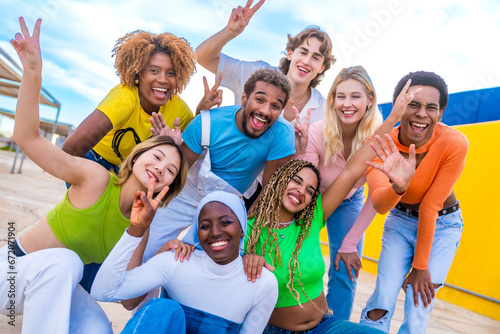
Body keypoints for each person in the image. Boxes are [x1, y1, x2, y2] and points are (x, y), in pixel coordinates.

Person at [0, 18, 187, 333]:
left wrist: (155, 249)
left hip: (60, 286)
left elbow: (128, 301)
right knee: (67, 262)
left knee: (98, 328)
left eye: (170, 170)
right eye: (156, 156)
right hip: (12, 275)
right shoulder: (96, 178)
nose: (160, 168)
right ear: (136, 153)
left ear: (169, 187)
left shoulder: (140, 220)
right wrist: (32, 72)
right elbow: (28, 138)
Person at [243, 79, 421, 333]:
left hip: (324, 326)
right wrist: (245, 257)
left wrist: (393, 117)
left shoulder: (312, 218)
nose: (301, 192)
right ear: (280, 181)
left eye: (310, 190)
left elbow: (352, 170)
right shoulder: (250, 226)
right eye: (295, 182)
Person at [143, 67, 297, 262]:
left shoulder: (282, 134)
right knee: (147, 252)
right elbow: (176, 173)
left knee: (210, 266)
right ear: (244, 98)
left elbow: (269, 191)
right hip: (184, 193)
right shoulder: (206, 122)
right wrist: (168, 150)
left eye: (275, 106)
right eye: (259, 100)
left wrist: (245, 231)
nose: (265, 111)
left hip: (228, 204)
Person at [358, 71, 469, 333]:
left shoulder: (455, 143)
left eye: (431, 107)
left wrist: (420, 268)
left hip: (443, 225)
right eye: (413, 104)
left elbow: (431, 204)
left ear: (440, 113)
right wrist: (399, 185)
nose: (421, 114)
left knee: (419, 305)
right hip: (400, 221)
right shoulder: (379, 145)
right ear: (399, 107)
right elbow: (382, 205)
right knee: (382, 300)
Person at [91, 191, 278, 334]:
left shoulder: (263, 283)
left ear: (242, 229)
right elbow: (103, 291)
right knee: (163, 308)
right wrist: (135, 230)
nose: (215, 232)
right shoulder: (176, 261)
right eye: (205, 226)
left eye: (226, 222)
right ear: (198, 232)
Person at [295, 66, 382, 320]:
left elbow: (376, 196)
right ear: (332, 99)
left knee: (346, 267)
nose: (347, 103)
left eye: (355, 96)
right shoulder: (317, 131)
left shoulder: (377, 140)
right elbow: (306, 180)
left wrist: (350, 242)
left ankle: (332, 326)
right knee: (293, 259)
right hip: (311, 199)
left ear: (369, 100)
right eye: (340, 96)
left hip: (350, 201)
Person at [61, 27, 199, 173]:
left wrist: (173, 146)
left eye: (171, 73)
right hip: (94, 159)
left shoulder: (178, 108)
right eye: (154, 71)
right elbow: (70, 150)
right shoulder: (123, 98)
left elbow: (196, 139)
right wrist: (87, 182)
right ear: (138, 74)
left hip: (127, 169)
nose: (163, 80)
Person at [195, 0, 335, 124]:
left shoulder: (324, 111)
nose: (306, 61)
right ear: (290, 53)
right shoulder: (256, 74)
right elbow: (202, 57)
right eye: (303, 52)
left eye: (315, 57)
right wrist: (230, 32)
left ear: (322, 67)